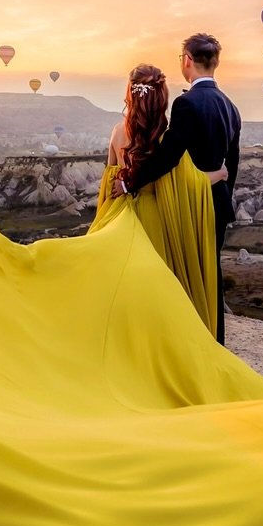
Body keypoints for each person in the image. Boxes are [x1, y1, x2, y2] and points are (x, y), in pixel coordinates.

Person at [110, 34, 240, 343]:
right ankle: (213, 342)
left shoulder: (186, 103)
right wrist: (222, 188)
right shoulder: (231, 106)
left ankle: (184, 342)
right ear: (217, 62)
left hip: (188, 205)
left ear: (186, 60)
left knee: (184, 277)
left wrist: (129, 182)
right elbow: (231, 162)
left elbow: (167, 158)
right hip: (217, 204)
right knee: (209, 276)